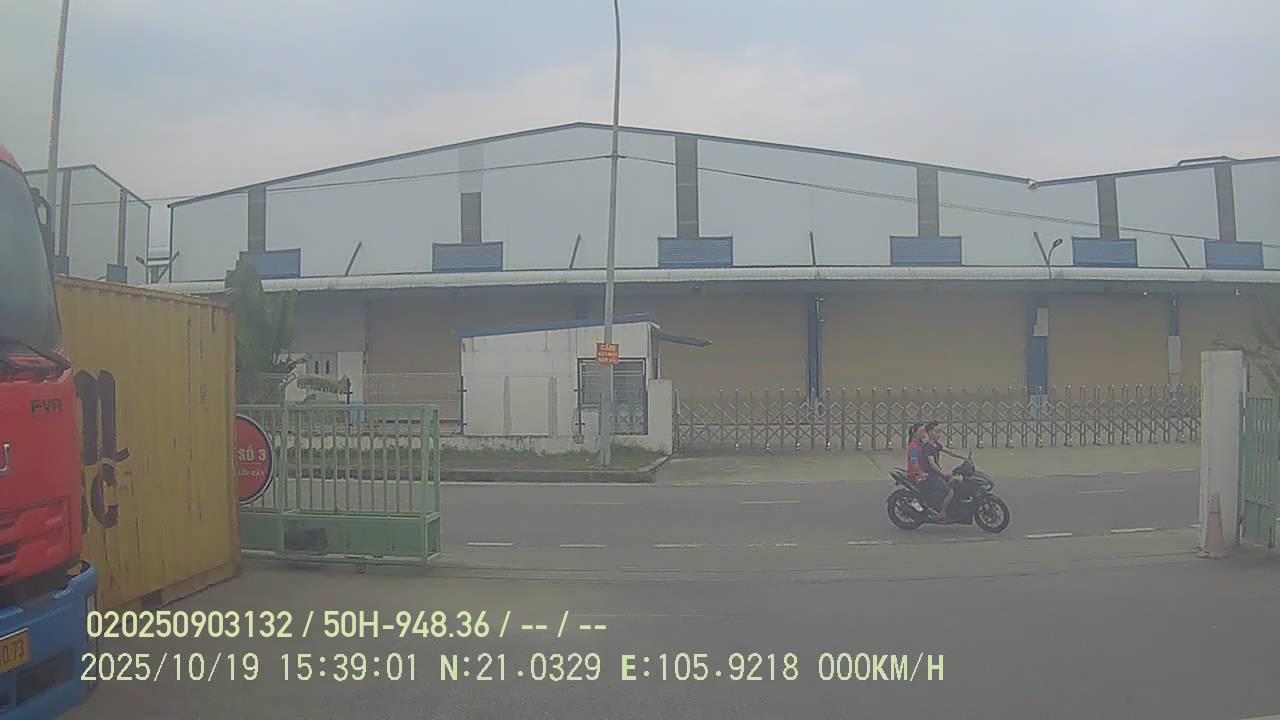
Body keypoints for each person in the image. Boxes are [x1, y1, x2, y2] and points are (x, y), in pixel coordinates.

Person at [924, 422, 967, 520]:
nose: (939, 434)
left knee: (956, 480)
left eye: (940, 432)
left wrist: (963, 457)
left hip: (937, 473)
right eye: (936, 432)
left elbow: (949, 451)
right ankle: (942, 513)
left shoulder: (936, 445)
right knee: (950, 491)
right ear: (930, 432)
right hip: (931, 475)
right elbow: (932, 464)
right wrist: (942, 473)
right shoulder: (928, 447)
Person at [907, 423, 946, 518]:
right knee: (941, 486)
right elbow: (914, 463)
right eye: (921, 431)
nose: (923, 433)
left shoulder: (923, 444)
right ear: (914, 433)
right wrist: (921, 473)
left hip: (925, 472)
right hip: (916, 474)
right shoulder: (913, 447)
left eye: (924, 431)